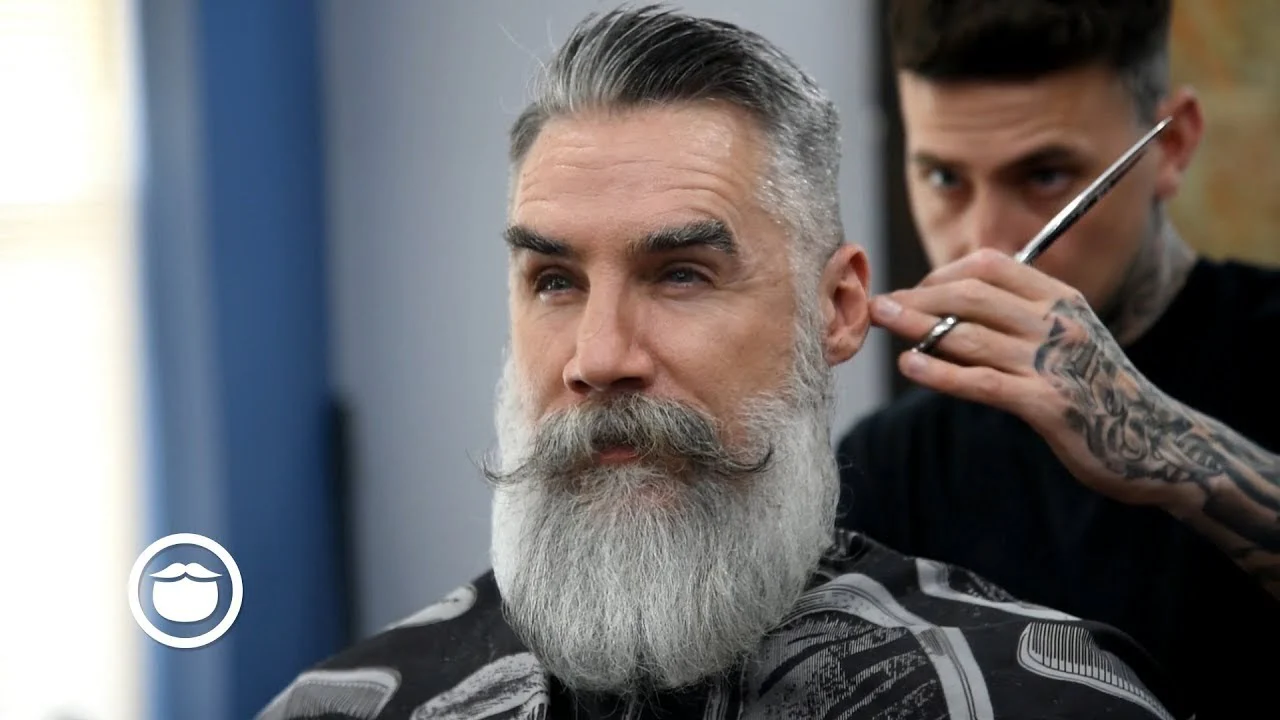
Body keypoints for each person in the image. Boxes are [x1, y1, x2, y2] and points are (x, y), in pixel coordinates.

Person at [257, 7, 1189, 720]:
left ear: (835, 309)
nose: (599, 357)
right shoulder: (345, 701)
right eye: (553, 281)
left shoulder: (1037, 698)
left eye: (682, 275)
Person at [835, 0, 1280, 717]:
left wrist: (1161, 447)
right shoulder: (893, 463)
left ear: (1172, 147)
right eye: (945, 179)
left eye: (1044, 177)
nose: (984, 244)